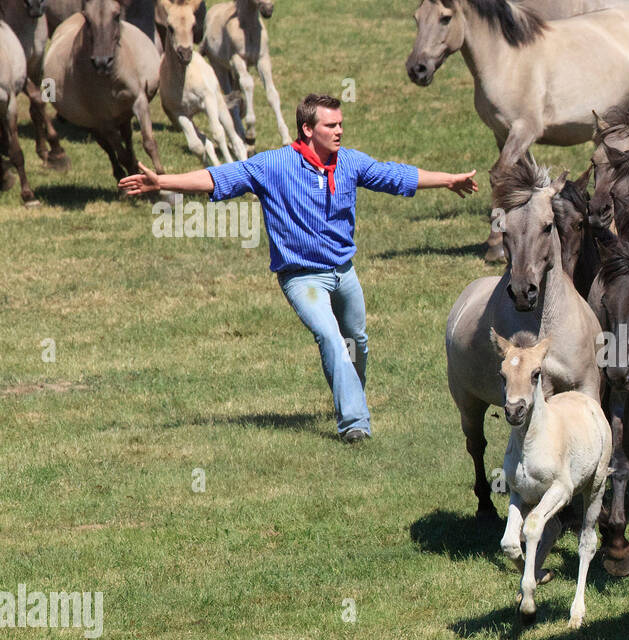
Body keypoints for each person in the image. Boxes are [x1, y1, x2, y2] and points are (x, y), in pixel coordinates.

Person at [119, 92, 478, 443]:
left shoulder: (349, 163)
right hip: (302, 278)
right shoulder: (273, 165)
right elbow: (219, 178)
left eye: (341, 124)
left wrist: (449, 180)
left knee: (357, 342)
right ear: (308, 129)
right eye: (331, 125)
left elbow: (394, 176)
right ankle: (355, 423)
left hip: (343, 271)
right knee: (332, 340)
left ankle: (351, 396)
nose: (339, 131)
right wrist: (162, 182)